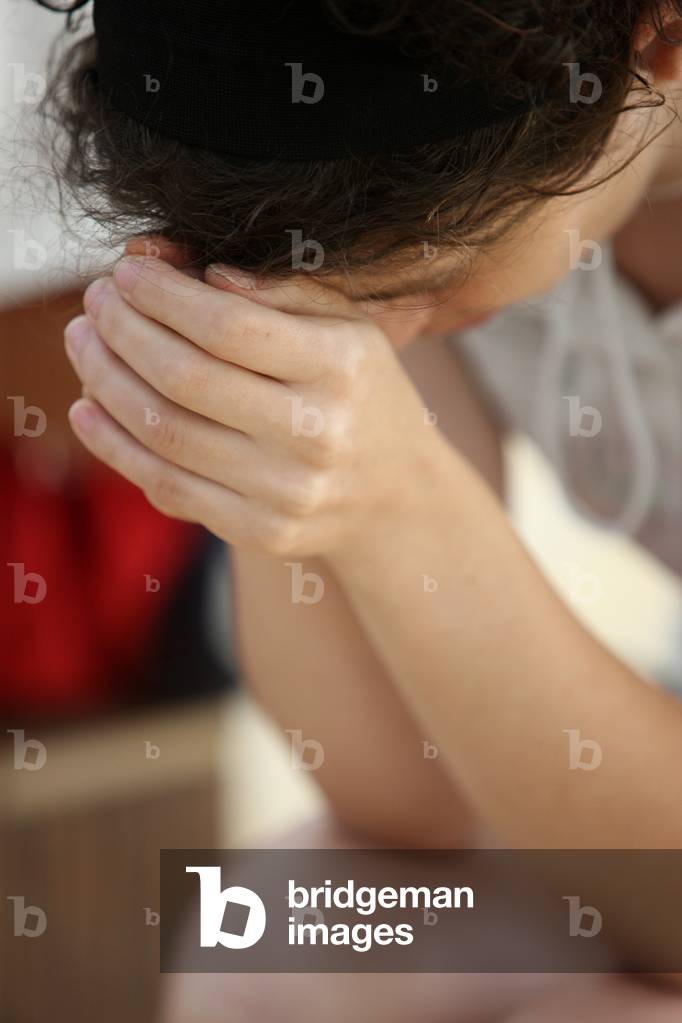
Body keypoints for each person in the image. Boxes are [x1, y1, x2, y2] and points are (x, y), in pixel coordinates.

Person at [34, 0, 682, 1019]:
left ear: (656, 40)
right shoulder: (411, 176)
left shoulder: (471, 156)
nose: (381, 322)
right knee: (274, 942)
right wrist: (271, 460)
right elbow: (402, 804)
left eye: (417, 278)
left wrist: (399, 499)